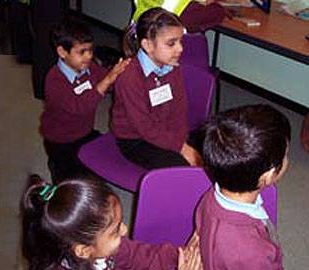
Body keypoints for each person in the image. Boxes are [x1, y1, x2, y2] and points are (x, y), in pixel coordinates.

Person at [21, 175, 203, 270]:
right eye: (115, 231)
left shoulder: (103, 249)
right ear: (83, 250)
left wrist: (182, 255)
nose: (124, 230)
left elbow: (142, 255)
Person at [195, 104, 291, 270]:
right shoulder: (253, 254)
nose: (287, 160)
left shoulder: (211, 196)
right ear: (267, 176)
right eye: (285, 156)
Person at [111, 7, 202, 169]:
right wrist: (181, 147)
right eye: (171, 43)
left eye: (180, 41)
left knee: (214, 150)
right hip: (135, 138)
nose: (180, 48)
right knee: (179, 168)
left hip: (166, 129)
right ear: (147, 45)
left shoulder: (172, 67)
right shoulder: (130, 76)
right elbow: (144, 126)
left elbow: (179, 109)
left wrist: (182, 141)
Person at [40, 20, 130, 183]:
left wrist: (120, 76)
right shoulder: (54, 80)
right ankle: (56, 168)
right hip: (61, 140)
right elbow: (81, 106)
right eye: (82, 52)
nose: (89, 56)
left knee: (104, 160)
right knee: (68, 183)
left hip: (84, 132)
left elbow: (106, 80)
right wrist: (107, 81)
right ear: (62, 52)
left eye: (90, 50)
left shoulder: (89, 67)